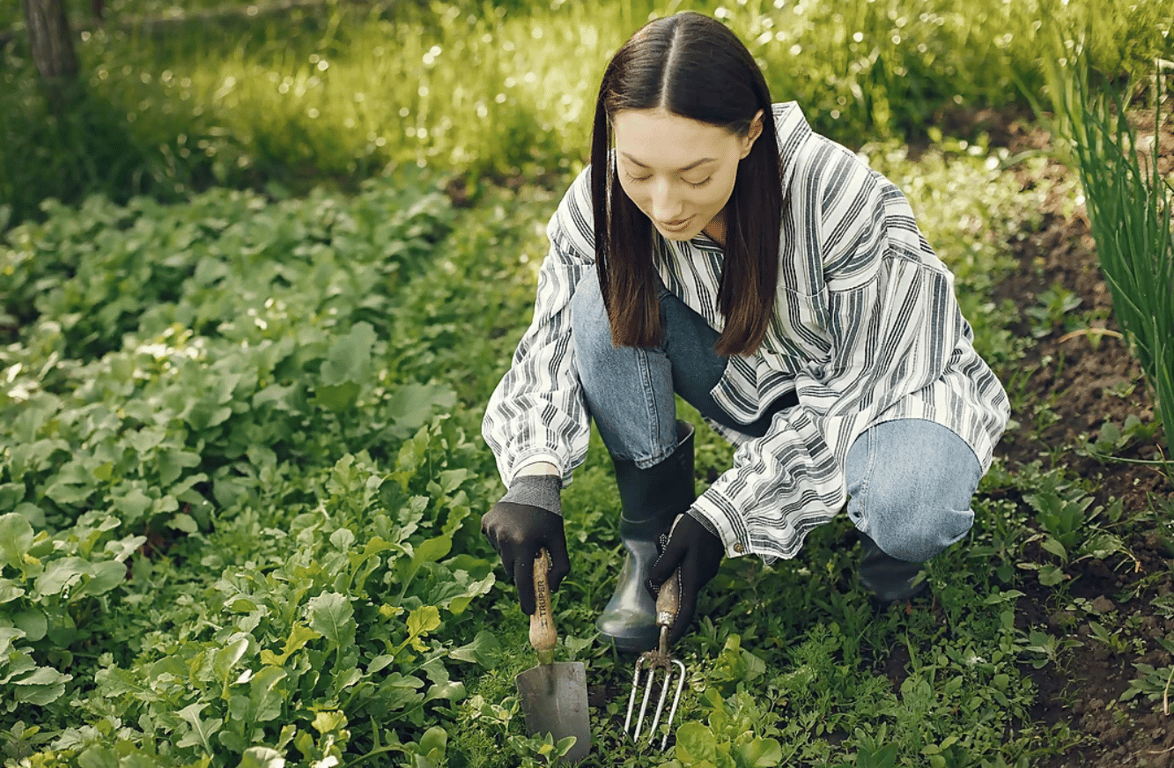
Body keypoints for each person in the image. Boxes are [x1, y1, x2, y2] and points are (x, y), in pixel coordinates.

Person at [480, 11, 1010, 653]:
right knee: (597, 296)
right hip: (753, 381)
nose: (665, 205)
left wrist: (721, 515)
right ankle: (656, 548)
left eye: (696, 176)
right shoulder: (604, 198)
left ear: (751, 133)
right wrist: (534, 475)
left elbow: (860, 389)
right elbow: (552, 340)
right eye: (640, 171)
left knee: (911, 507)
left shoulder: (837, 198)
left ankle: (889, 552)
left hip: (888, 392)